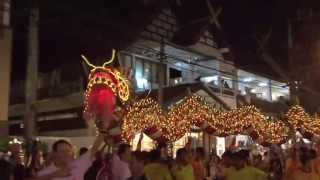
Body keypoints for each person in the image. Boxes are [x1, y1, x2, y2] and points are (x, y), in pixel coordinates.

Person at [36, 135, 104, 180]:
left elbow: (95, 147)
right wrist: (55, 174)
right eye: (62, 151)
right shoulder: (47, 171)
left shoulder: (78, 164)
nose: (66, 154)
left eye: (68, 150)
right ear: (55, 154)